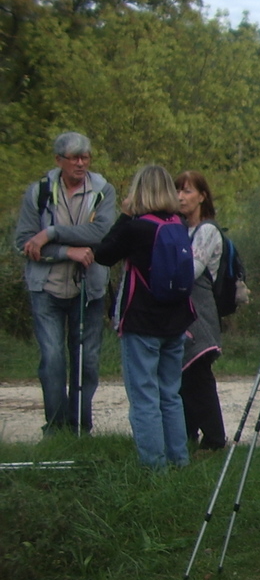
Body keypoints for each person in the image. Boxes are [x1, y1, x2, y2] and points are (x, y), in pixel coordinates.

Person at [92, 165, 195, 470]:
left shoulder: (135, 228)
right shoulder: (179, 224)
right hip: (176, 321)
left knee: (144, 396)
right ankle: (179, 460)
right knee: (170, 394)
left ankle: (153, 466)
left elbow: (103, 254)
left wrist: (124, 215)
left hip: (142, 322)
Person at [15, 132, 116, 436]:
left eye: (85, 157)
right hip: (46, 288)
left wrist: (51, 233)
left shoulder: (103, 191)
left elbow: (101, 233)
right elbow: (24, 242)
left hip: (89, 289)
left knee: (88, 361)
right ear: (58, 160)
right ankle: (56, 429)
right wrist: (66, 252)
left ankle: (81, 427)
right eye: (74, 158)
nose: (81, 163)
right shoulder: (39, 193)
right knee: (53, 360)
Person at [173, 171, 226, 451]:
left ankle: (215, 439)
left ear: (202, 196)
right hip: (183, 315)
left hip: (200, 316)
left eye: (188, 191)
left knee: (199, 377)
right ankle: (188, 436)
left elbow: (190, 272)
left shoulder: (207, 231)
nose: (181, 197)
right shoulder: (180, 229)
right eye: (177, 191)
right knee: (185, 378)